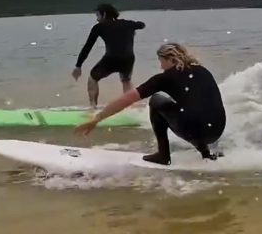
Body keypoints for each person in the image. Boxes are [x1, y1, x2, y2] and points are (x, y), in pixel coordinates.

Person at [75, 43, 227, 166]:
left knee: (156, 100)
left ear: (171, 59)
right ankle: (207, 154)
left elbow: (127, 99)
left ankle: (163, 155)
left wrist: (97, 118)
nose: (161, 67)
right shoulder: (202, 71)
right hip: (217, 130)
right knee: (197, 110)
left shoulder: (164, 78)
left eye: (161, 62)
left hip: (196, 131)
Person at [72, 3, 146, 108]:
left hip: (112, 59)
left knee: (93, 78)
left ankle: (93, 108)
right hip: (128, 59)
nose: (97, 19)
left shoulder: (99, 27)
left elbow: (87, 47)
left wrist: (78, 65)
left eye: (97, 15)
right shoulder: (127, 23)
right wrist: (132, 27)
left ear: (104, 14)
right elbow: (142, 25)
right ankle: (132, 108)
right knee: (126, 80)